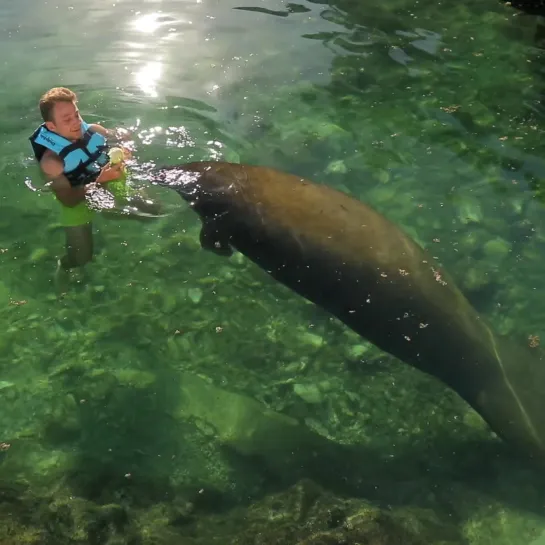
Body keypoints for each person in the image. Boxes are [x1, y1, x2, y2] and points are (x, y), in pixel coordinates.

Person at [28, 86, 161, 291]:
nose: (76, 123)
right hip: (77, 197)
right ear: (51, 126)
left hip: (107, 177)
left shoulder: (94, 131)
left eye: (76, 114)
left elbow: (120, 137)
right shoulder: (52, 162)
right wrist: (98, 181)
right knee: (82, 258)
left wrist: (126, 148)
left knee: (152, 209)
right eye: (67, 119)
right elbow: (68, 200)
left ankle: (111, 213)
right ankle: (63, 268)